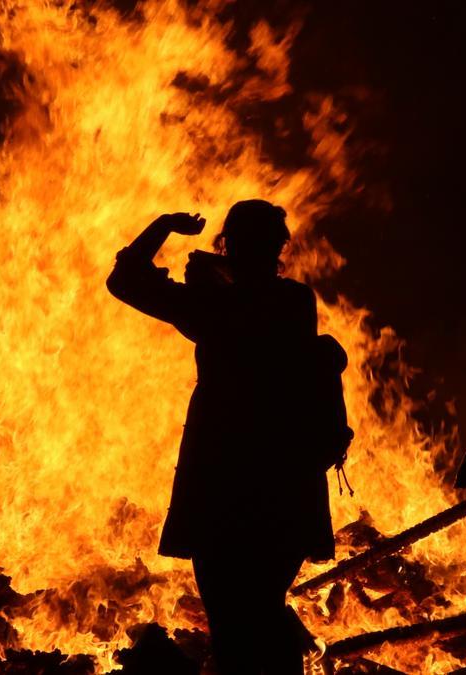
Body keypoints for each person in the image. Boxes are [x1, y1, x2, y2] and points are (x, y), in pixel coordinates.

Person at [106, 200, 337, 675]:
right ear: (279, 247)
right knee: (263, 611)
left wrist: (164, 227)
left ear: (230, 246)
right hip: (287, 490)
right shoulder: (294, 301)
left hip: (223, 488)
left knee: (235, 625)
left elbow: (125, 279)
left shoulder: (215, 307)